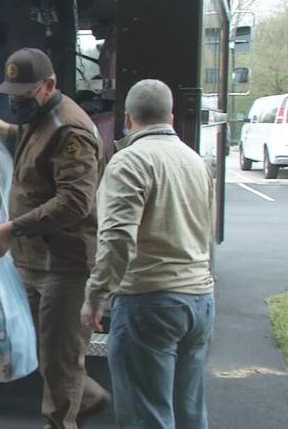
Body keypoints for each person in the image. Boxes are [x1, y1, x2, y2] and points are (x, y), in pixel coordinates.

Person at [0, 48, 109, 428]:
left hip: (64, 265)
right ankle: (88, 397)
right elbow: (30, 138)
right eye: (12, 96)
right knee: (46, 352)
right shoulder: (41, 116)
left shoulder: (71, 131)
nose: (17, 102)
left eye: (24, 94)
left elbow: (75, 201)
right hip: (34, 260)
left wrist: (12, 229)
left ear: (49, 85)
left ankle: (63, 419)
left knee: (61, 362)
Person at [81, 79, 216, 429]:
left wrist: (96, 294)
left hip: (148, 301)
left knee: (147, 415)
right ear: (171, 117)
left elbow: (117, 239)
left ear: (127, 119)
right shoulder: (195, 161)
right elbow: (206, 230)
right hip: (200, 300)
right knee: (189, 412)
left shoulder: (129, 162)